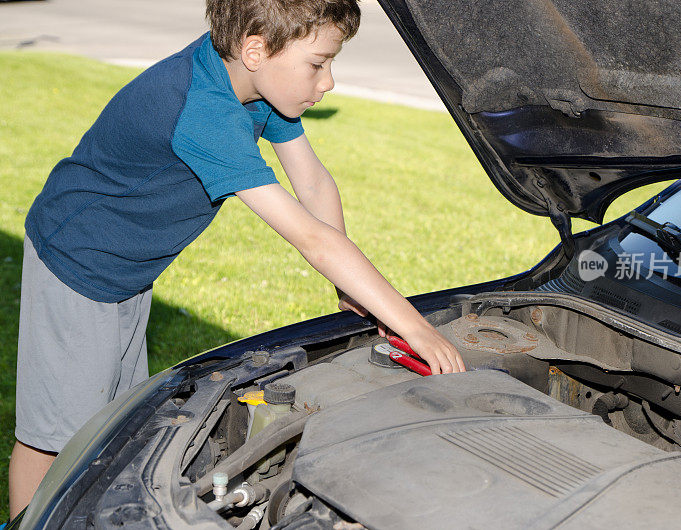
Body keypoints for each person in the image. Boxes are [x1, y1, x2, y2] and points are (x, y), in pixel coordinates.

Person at [8, 0, 465, 519]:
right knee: (56, 436)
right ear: (256, 50)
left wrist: (351, 289)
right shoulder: (203, 111)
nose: (329, 81)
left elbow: (312, 182)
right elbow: (311, 240)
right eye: (318, 64)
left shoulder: (254, 85)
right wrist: (415, 327)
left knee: (108, 421)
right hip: (78, 266)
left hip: (128, 271)